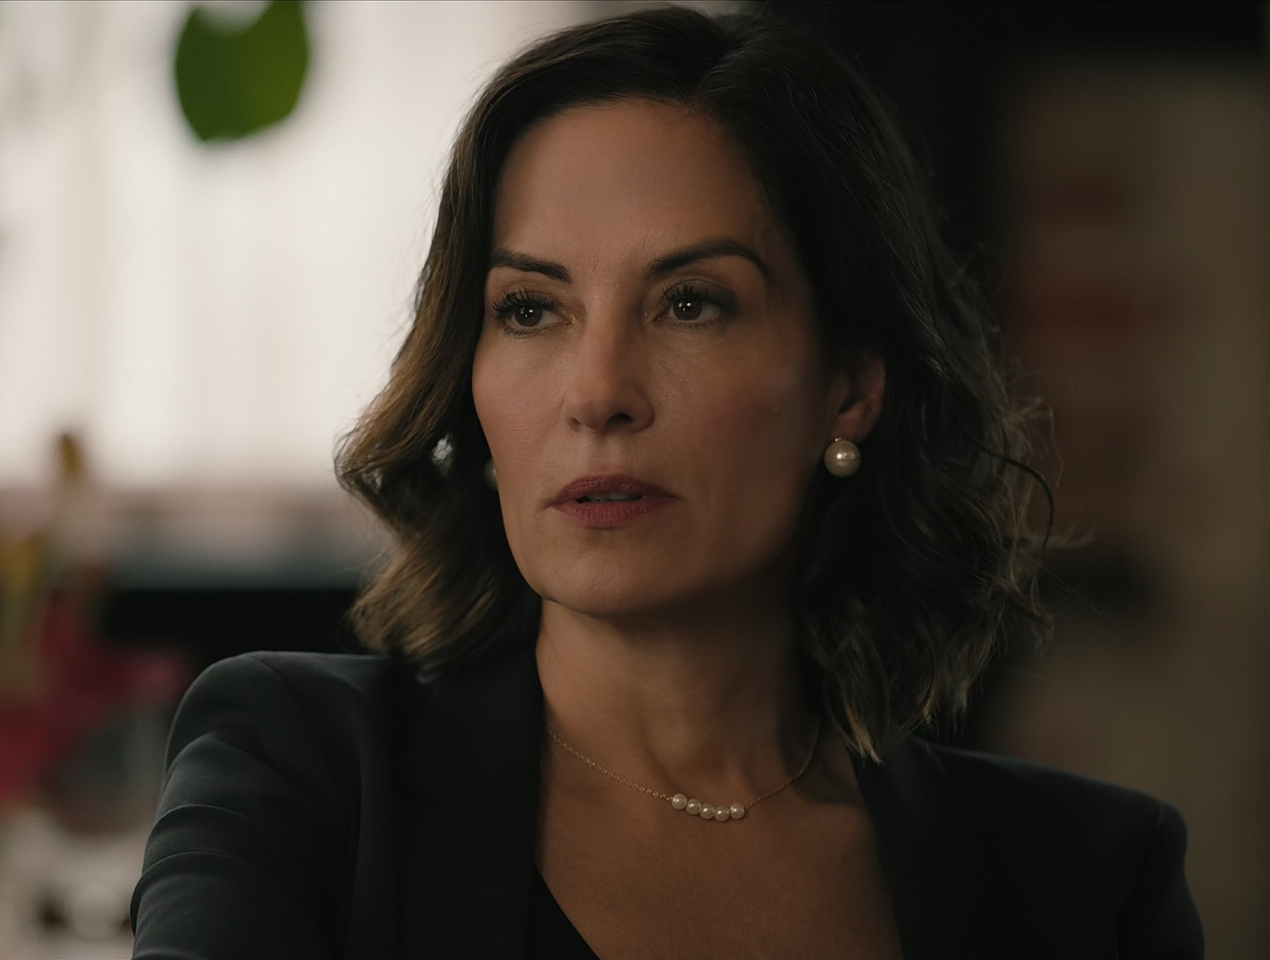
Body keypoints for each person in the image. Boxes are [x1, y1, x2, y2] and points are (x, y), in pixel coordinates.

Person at [129, 8, 1203, 959]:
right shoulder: (300, 769)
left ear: (848, 390)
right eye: (530, 310)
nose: (598, 392)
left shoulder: (1088, 877)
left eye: (691, 303)